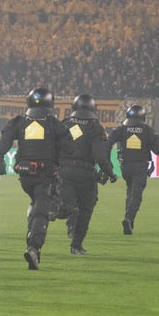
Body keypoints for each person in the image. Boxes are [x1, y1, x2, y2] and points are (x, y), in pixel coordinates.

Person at [0, 87, 69, 270]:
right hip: (45, 175)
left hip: (25, 176)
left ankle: (32, 235)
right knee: (42, 209)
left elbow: (0, 148)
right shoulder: (54, 124)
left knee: (36, 204)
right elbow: (70, 148)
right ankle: (34, 246)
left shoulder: (19, 122)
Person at [56, 94, 116, 255]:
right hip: (86, 175)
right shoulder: (95, 127)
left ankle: (50, 212)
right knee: (86, 209)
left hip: (64, 172)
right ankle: (76, 245)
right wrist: (109, 172)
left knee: (66, 205)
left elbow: (53, 147)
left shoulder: (64, 124)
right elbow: (100, 155)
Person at [107, 104, 159, 235]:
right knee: (136, 194)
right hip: (140, 167)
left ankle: (129, 219)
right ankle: (129, 218)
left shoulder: (122, 129)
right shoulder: (147, 130)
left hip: (125, 167)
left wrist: (108, 163)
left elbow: (108, 142)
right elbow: (158, 151)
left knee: (130, 191)